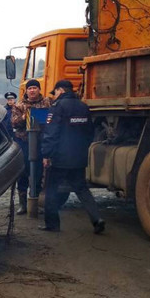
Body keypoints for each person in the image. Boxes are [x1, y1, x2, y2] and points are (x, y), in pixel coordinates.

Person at [41, 80, 105, 234]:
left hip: (60, 158)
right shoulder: (83, 106)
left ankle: (52, 225)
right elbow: (90, 132)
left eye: (55, 92)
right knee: (82, 189)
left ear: (60, 90)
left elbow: (51, 133)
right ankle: (97, 219)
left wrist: (46, 154)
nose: (54, 95)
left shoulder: (57, 107)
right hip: (79, 157)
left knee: (51, 190)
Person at [10, 79, 51, 215]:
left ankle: (36, 200)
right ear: (26, 91)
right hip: (24, 142)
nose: (32, 90)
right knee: (23, 172)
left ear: (39, 89)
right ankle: (23, 204)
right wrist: (25, 116)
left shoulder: (47, 102)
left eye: (35, 88)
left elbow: (52, 119)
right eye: (30, 88)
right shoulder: (19, 105)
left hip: (41, 142)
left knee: (38, 172)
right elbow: (14, 123)